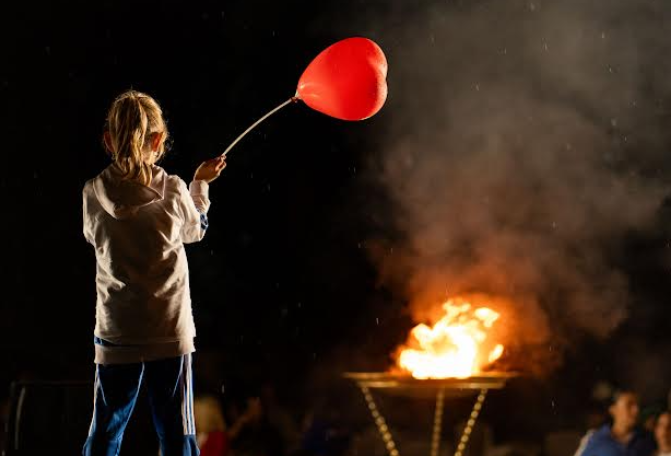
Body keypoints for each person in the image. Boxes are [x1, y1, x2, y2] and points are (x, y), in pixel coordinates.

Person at [81, 90, 226, 456]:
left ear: (108, 139)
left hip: (116, 331)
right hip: (168, 332)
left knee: (105, 433)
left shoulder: (92, 194)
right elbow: (196, 230)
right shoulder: (175, 192)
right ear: (158, 140)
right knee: (177, 435)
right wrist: (200, 184)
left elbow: (92, 235)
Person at [578, 389, 656, 456]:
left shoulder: (647, 439)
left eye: (637, 405)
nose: (636, 410)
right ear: (613, 410)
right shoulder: (596, 439)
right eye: (629, 405)